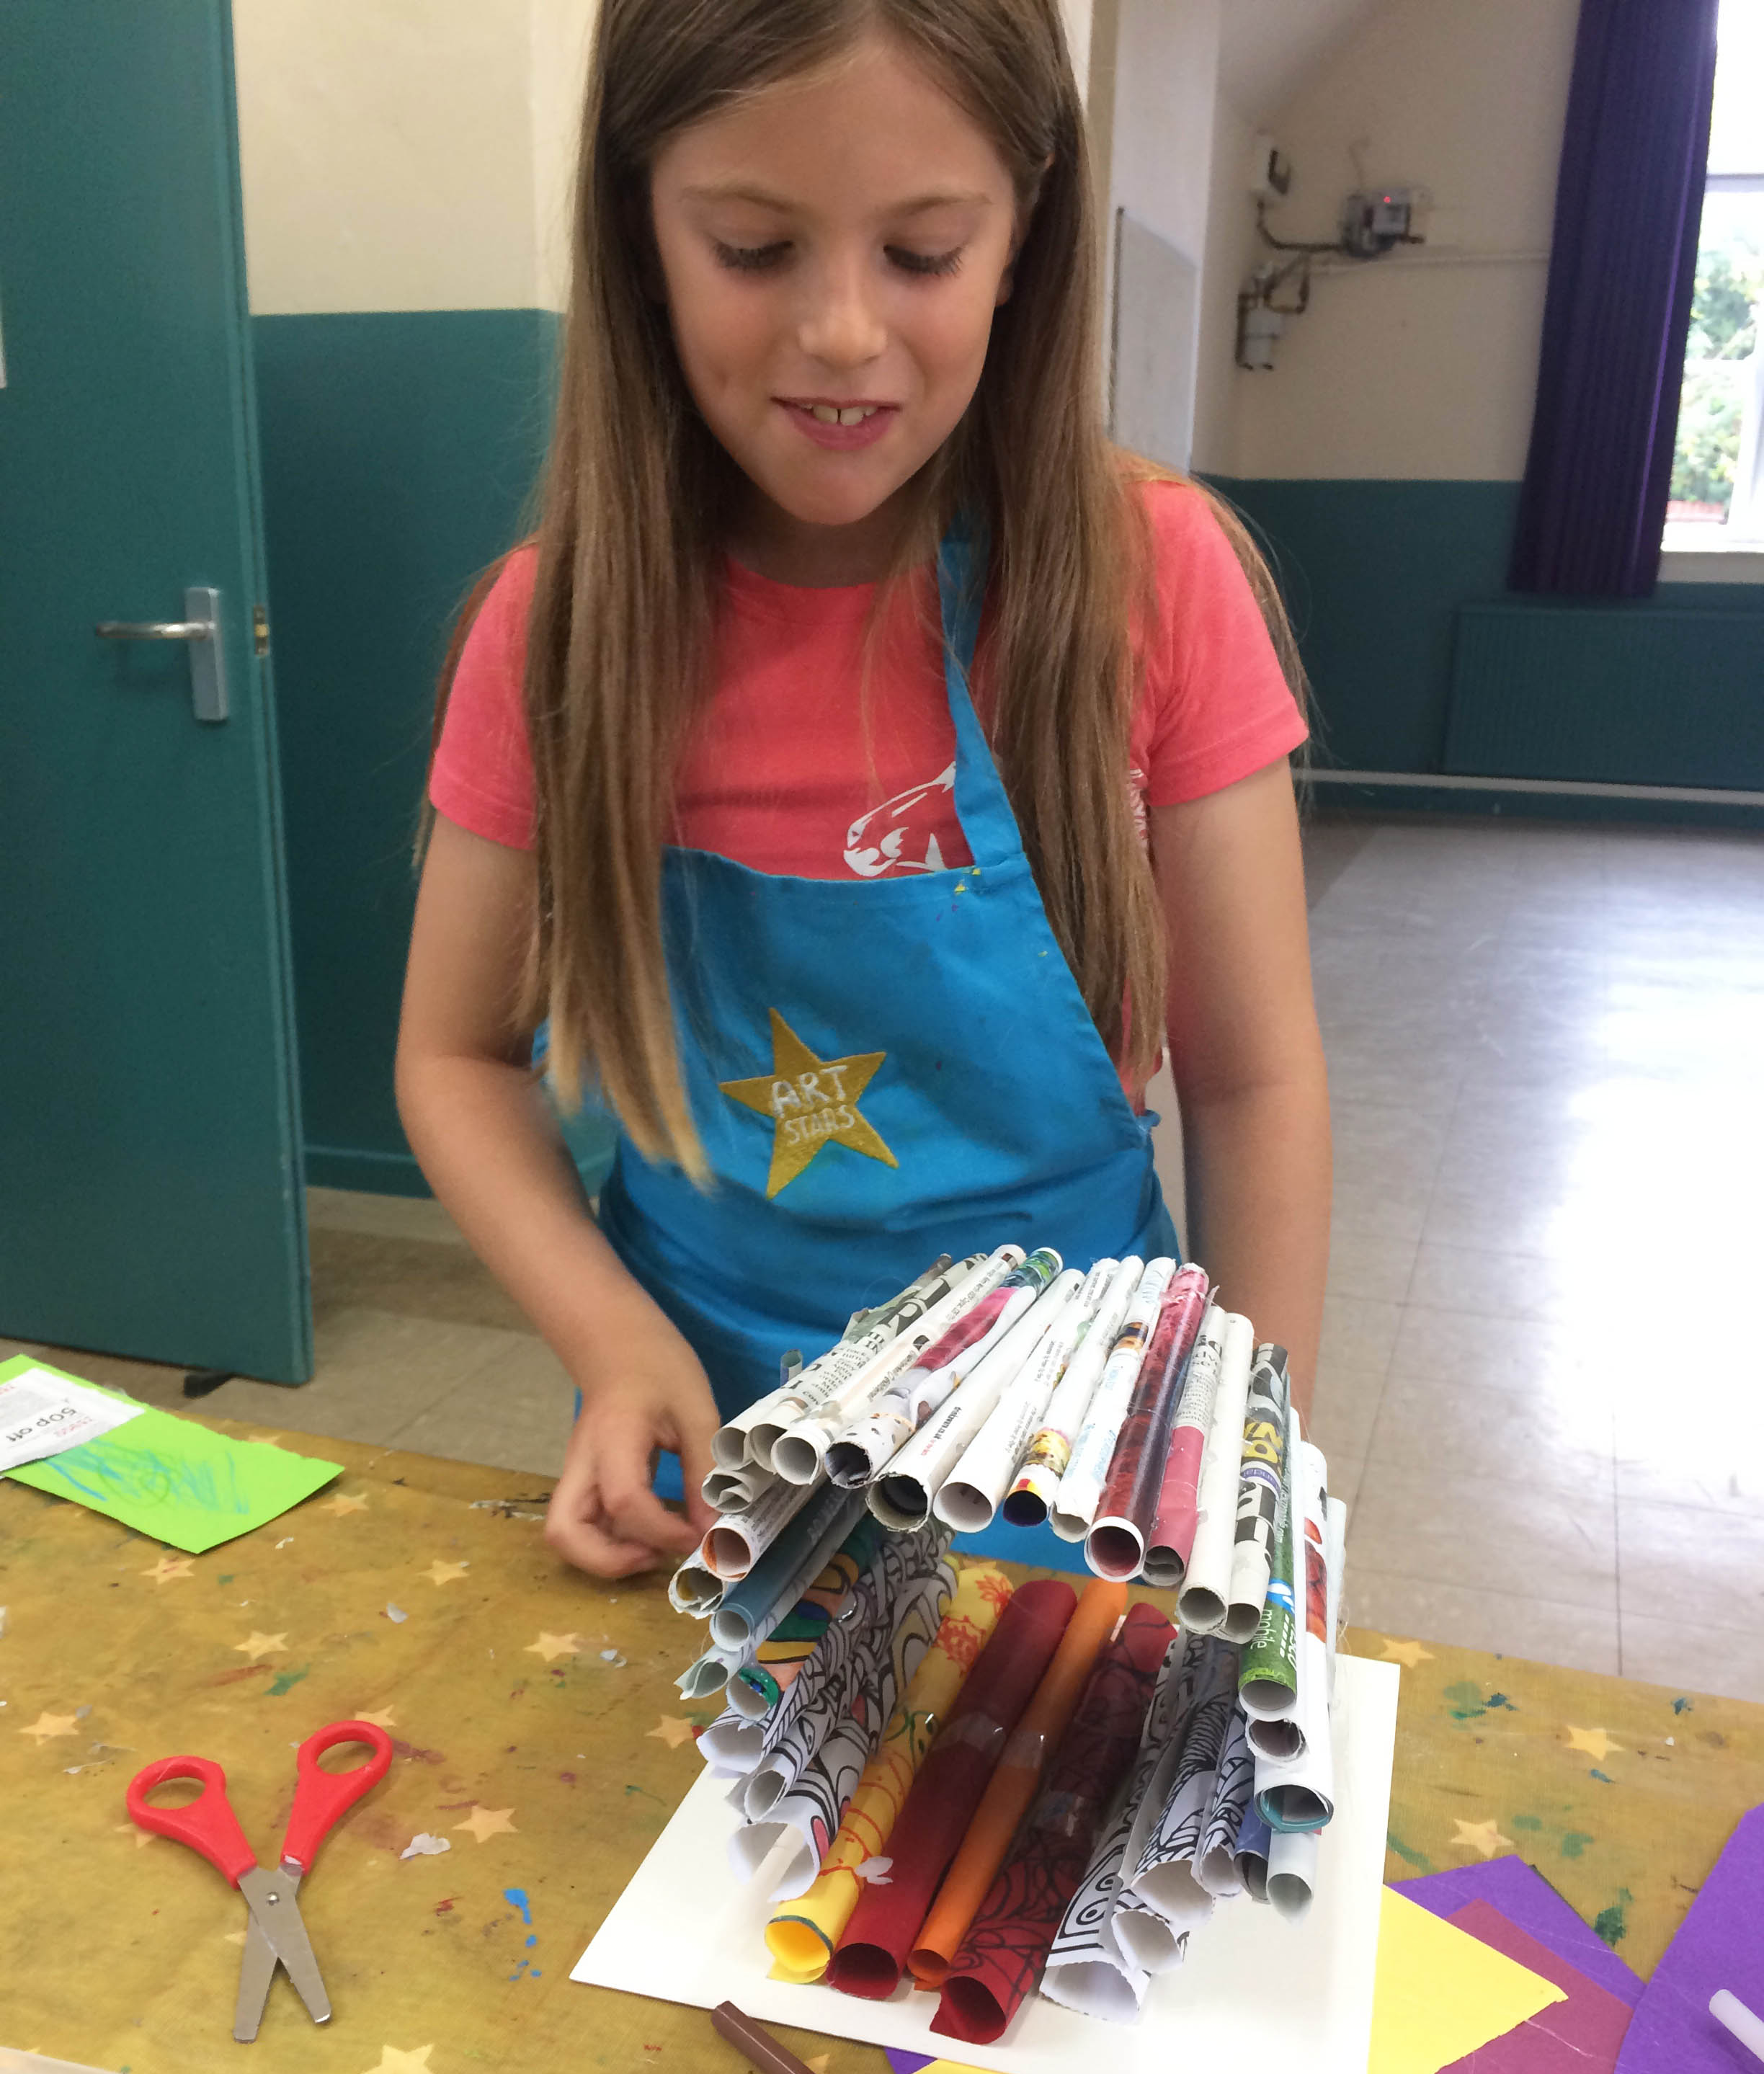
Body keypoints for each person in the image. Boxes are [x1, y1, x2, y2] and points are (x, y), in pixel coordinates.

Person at [396, 0, 1330, 1583]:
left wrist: (1249, 1476)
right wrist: (613, 1341)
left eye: (921, 253)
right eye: (755, 249)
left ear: (1022, 240)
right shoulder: (559, 630)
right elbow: (453, 1057)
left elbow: (1253, 1086)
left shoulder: (1153, 579)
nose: (840, 331)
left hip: (1083, 1458)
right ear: (640, 235)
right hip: (717, 1468)